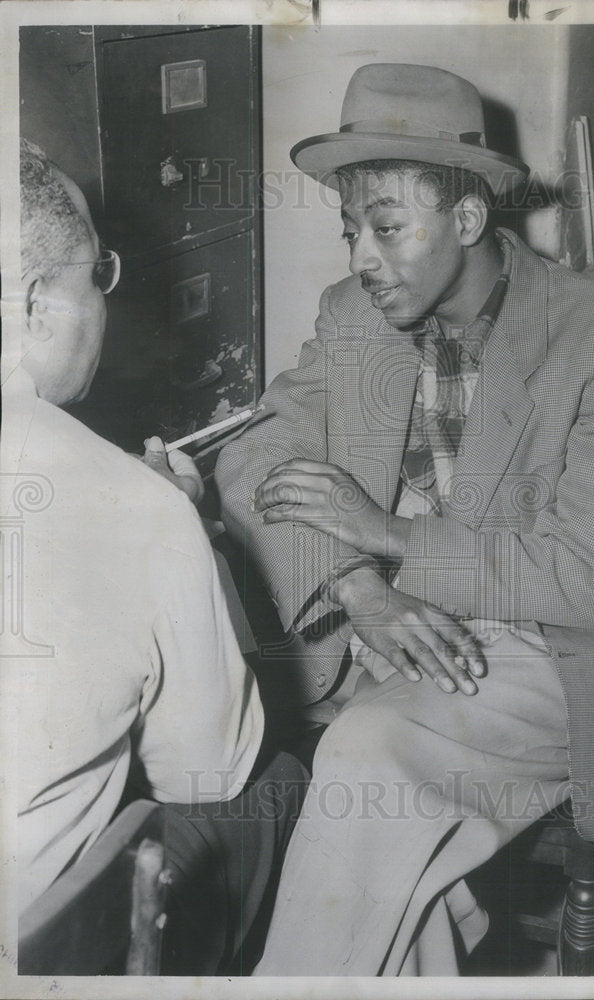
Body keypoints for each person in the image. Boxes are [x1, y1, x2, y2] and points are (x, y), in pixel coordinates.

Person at [215, 64, 594, 975]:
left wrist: (387, 533)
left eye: (388, 228)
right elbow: (254, 455)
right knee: (370, 826)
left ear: (470, 219)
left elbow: (588, 582)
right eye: (352, 229)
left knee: (365, 758)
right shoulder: (353, 318)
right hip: (402, 638)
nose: (361, 257)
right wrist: (358, 585)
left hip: (569, 655)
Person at [2, 139, 307, 974]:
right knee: (282, 777)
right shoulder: (142, 508)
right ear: (34, 305)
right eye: (96, 274)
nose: (106, 297)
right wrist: (175, 526)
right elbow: (204, 773)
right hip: (39, 944)